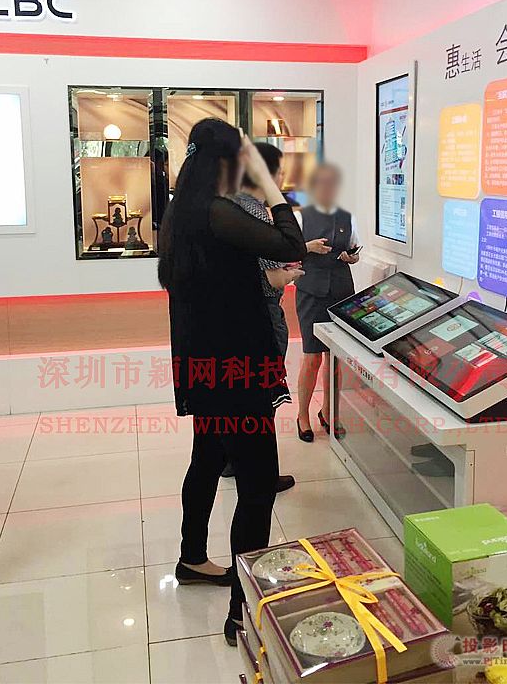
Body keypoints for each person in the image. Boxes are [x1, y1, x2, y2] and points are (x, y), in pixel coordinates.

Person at [158, 118, 306, 646]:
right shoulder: (219, 212)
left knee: (205, 460)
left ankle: (192, 558)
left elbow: (220, 282)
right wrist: (271, 187)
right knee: (258, 485)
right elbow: (292, 242)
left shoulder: (180, 212)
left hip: (205, 368)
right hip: (235, 373)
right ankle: (242, 612)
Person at [220, 141, 304, 489]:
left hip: (236, 315)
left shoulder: (230, 205)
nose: (282, 177)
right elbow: (270, 275)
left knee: (240, 394)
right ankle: (260, 472)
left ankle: (232, 460)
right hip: (264, 312)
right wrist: (291, 274)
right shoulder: (255, 211)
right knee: (264, 396)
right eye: (279, 171)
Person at [295, 163, 360, 441]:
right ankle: (302, 416)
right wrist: (307, 247)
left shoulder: (348, 216)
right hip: (311, 292)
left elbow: (355, 250)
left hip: (341, 292)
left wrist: (352, 257)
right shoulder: (301, 217)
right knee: (312, 357)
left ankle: (329, 413)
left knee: (334, 359)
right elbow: (287, 251)